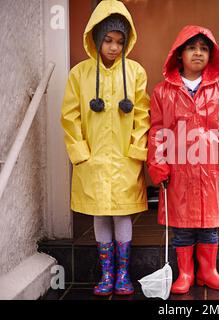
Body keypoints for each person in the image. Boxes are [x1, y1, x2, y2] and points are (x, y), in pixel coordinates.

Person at [60, 0, 150, 296]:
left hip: (125, 159)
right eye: (108, 40)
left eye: (120, 42)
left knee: (123, 214)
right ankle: (106, 275)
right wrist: (81, 154)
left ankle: (123, 275)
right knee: (100, 214)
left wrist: (137, 151)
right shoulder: (80, 74)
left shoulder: (135, 72)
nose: (114, 47)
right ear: (97, 39)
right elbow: (70, 116)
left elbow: (142, 115)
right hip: (94, 160)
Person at [147, 25, 219, 294]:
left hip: (211, 167)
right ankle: (186, 273)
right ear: (179, 54)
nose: (198, 53)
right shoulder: (162, 92)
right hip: (178, 169)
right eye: (192, 48)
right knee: (183, 226)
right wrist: (158, 164)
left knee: (209, 224)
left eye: (203, 48)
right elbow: (156, 131)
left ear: (211, 55)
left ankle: (209, 272)